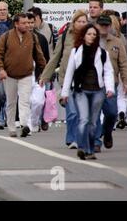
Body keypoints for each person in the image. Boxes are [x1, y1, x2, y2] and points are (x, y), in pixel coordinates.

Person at [61, 24, 115, 160]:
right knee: (83, 119)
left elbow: (108, 72)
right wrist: (65, 93)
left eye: (94, 34)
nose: (91, 36)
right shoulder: (76, 51)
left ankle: (90, 150)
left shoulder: (102, 53)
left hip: (98, 91)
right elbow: (69, 73)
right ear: (83, 36)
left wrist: (110, 88)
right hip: (81, 90)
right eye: (89, 34)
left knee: (92, 122)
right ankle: (81, 147)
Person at [40, 10, 88, 149]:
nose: (81, 24)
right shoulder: (66, 35)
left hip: (86, 80)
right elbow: (55, 57)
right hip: (68, 79)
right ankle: (72, 138)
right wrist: (45, 76)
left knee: (83, 113)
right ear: (74, 22)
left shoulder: (91, 35)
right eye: (79, 21)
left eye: (84, 21)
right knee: (72, 112)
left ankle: (83, 139)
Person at [0, 13, 46, 137]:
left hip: (26, 74)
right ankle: (11, 128)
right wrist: (0, 69)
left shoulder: (32, 37)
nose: (27, 25)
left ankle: (23, 125)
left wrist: (43, 72)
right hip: (9, 75)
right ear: (16, 24)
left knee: (25, 101)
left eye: (28, 23)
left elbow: (39, 56)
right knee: (11, 102)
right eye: (23, 23)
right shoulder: (5, 37)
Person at [94, 15, 127, 151]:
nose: (103, 28)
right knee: (95, 114)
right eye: (101, 25)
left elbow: (124, 64)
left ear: (110, 27)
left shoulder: (116, 42)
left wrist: (126, 82)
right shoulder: (91, 40)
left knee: (111, 113)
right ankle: (96, 142)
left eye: (106, 25)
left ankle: (107, 132)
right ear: (96, 25)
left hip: (111, 84)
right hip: (94, 84)